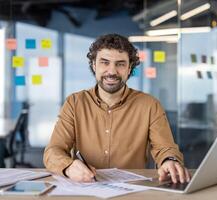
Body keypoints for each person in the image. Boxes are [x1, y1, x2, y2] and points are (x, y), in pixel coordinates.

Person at [43, 33, 190, 184]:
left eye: (120, 64)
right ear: (94, 65)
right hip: (86, 189)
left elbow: (165, 148)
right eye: (104, 62)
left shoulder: (150, 105)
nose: (112, 71)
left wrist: (169, 160)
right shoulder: (74, 103)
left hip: (132, 191)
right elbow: (53, 151)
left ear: (129, 68)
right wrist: (68, 167)